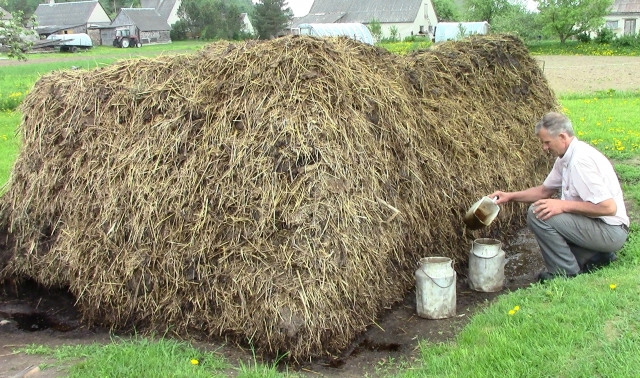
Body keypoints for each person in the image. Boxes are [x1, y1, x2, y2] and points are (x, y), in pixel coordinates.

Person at [490, 112, 629, 282]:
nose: (544, 148)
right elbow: (544, 191)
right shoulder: (565, 158)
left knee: (538, 213)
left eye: (547, 142)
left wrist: (563, 206)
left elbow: (608, 208)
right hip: (600, 226)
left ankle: (565, 273)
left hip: (611, 231)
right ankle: (596, 256)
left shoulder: (580, 162)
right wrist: (509, 196)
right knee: (549, 211)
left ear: (562, 137)